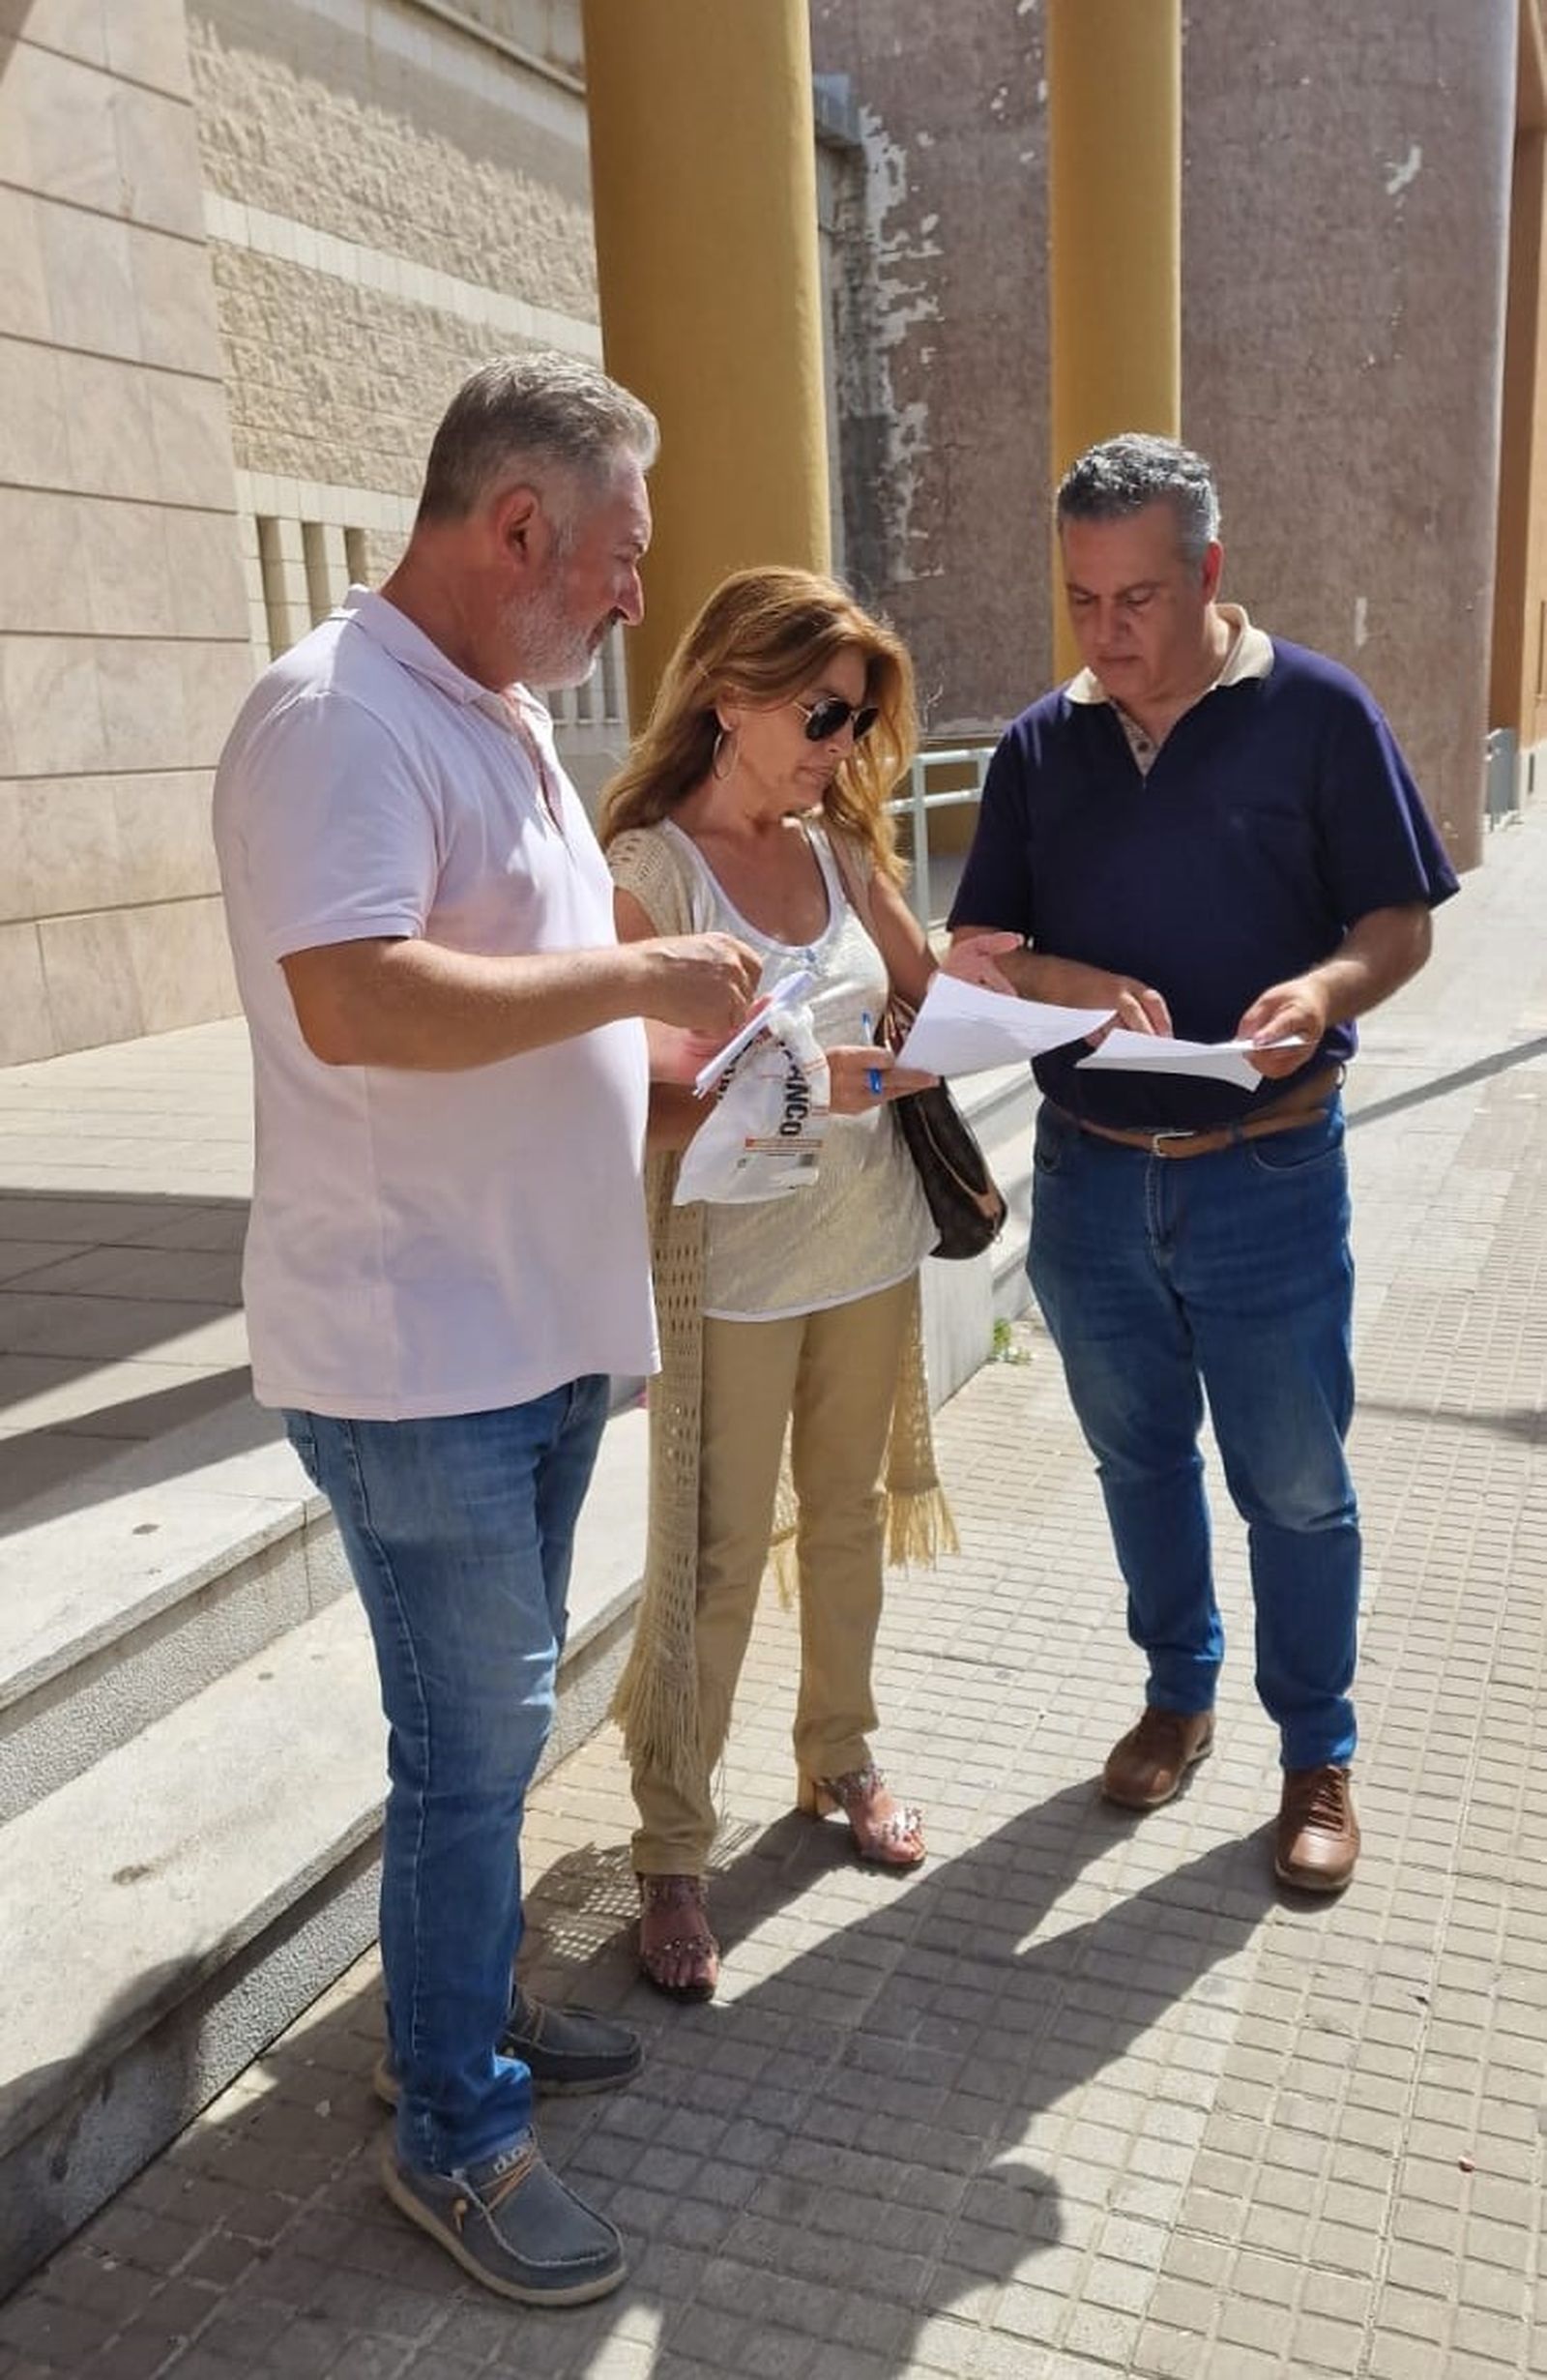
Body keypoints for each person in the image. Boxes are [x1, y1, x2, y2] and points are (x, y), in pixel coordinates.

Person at [213, 352, 761, 2306]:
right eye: (615, 556)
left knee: (485, 1735)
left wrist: (675, 1073)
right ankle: (452, 2125)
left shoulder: (492, 709)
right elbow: (361, 999)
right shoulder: (335, 716)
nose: (636, 598)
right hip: (412, 1354)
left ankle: (466, 2018)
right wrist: (642, 970)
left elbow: (502, 996)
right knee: (469, 1750)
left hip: (516, 1335)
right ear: (514, 525)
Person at [950, 433, 1459, 1894]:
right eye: (1082, 602)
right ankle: (1178, 1692)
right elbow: (982, 954)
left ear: (1211, 576)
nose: (1107, 637)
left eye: (1139, 600)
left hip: (1267, 1171)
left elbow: (1400, 922)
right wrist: (1071, 977)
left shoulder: (1319, 714)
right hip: (1093, 1179)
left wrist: (1326, 993)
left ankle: (1318, 1752)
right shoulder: (1042, 745)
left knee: (1295, 1483)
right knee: (1135, 1456)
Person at [598, 566, 1018, 1998]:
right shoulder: (651, 870)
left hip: (866, 1245)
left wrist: (965, 979)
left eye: (860, 719)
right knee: (711, 1562)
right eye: (825, 712)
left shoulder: (840, 845)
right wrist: (793, 1076)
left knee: (845, 1516)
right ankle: (670, 1846)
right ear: (730, 695)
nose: (845, 746)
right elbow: (631, 1091)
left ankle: (838, 1757)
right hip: (727, 1274)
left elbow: (914, 989)